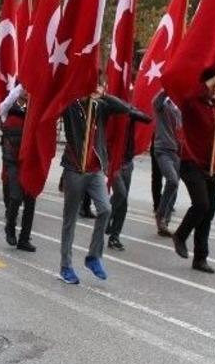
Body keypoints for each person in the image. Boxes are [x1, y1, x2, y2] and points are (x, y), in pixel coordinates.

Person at [59, 86, 151, 284]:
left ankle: (93, 256)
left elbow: (124, 108)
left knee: (105, 209)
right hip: (75, 169)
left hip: (96, 170)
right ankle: (66, 266)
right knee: (70, 219)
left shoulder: (100, 106)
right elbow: (55, 102)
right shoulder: (70, 106)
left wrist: (103, 94)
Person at [169, 69, 215, 274]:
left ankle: (200, 258)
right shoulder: (192, 104)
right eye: (214, 85)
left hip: (213, 166)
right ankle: (180, 235)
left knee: (207, 215)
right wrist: (211, 80)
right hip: (192, 162)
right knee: (201, 204)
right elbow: (188, 97)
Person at [0, 84, 37, 252]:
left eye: (30, 89)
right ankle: (10, 228)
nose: (27, 92)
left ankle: (24, 239)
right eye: (24, 89)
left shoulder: (34, 111)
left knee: (30, 200)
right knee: (15, 196)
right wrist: (25, 82)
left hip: (29, 161)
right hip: (12, 160)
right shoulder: (7, 109)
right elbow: (7, 101)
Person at [152, 90, 182, 237]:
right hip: (163, 149)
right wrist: (167, 87)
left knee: (174, 187)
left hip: (177, 151)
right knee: (172, 180)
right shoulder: (163, 104)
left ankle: (164, 223)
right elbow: (156, 101)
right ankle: (160, 214)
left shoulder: (179, 107)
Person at [106, 119, 138, 251]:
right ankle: (106, 217)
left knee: (123, 203)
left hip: (127, 161)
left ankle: (114, 237)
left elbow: (147, 119)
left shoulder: (132, 113)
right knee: (120, 193)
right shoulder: (114, 112)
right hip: (113, 161)